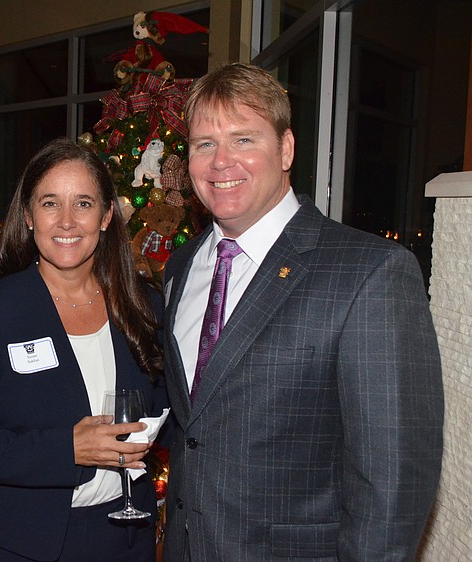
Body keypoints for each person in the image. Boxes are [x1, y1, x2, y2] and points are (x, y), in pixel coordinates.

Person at [161, 62, 443, 560]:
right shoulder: (182, 266)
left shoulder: (369, 273)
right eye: (205, 144)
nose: (221, 161)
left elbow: (393, 486)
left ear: (286, 149)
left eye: (243, 139)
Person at [0, 137, 169, 561]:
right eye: (49, 203)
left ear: (106, 216)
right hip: (17, 543)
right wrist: (68, 450)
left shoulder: (143, 305)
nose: (66, 221)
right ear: (28, 215)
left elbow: (169, 414)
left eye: (83, 203)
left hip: (124, 538)